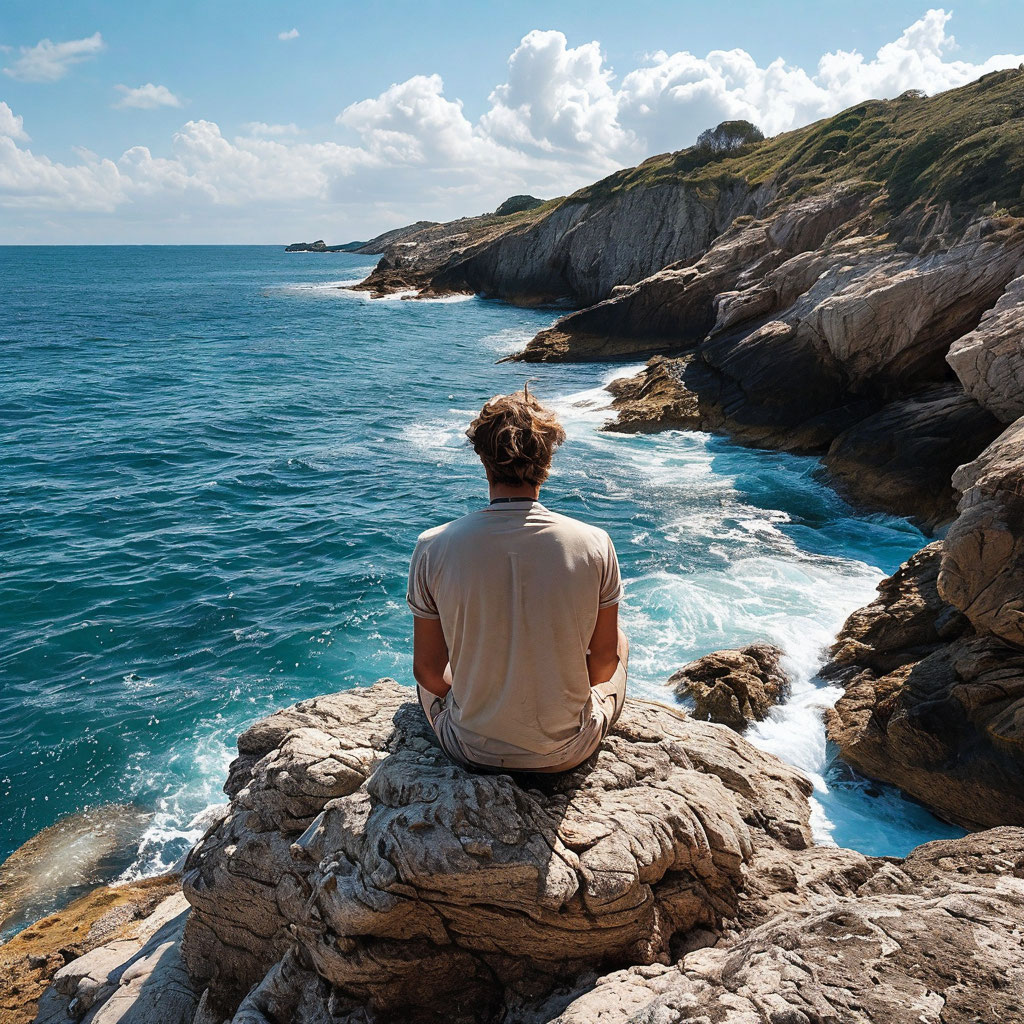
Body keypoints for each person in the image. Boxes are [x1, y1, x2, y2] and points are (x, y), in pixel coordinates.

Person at [406, 386, 628, 773]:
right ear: (548, 459)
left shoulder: (432, 546)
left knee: (440, 677)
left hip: (472, 749)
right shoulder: (595, 543)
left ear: (483, 459)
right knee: (620, 642)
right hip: (566, 752)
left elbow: (427, 671)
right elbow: (604, 666)